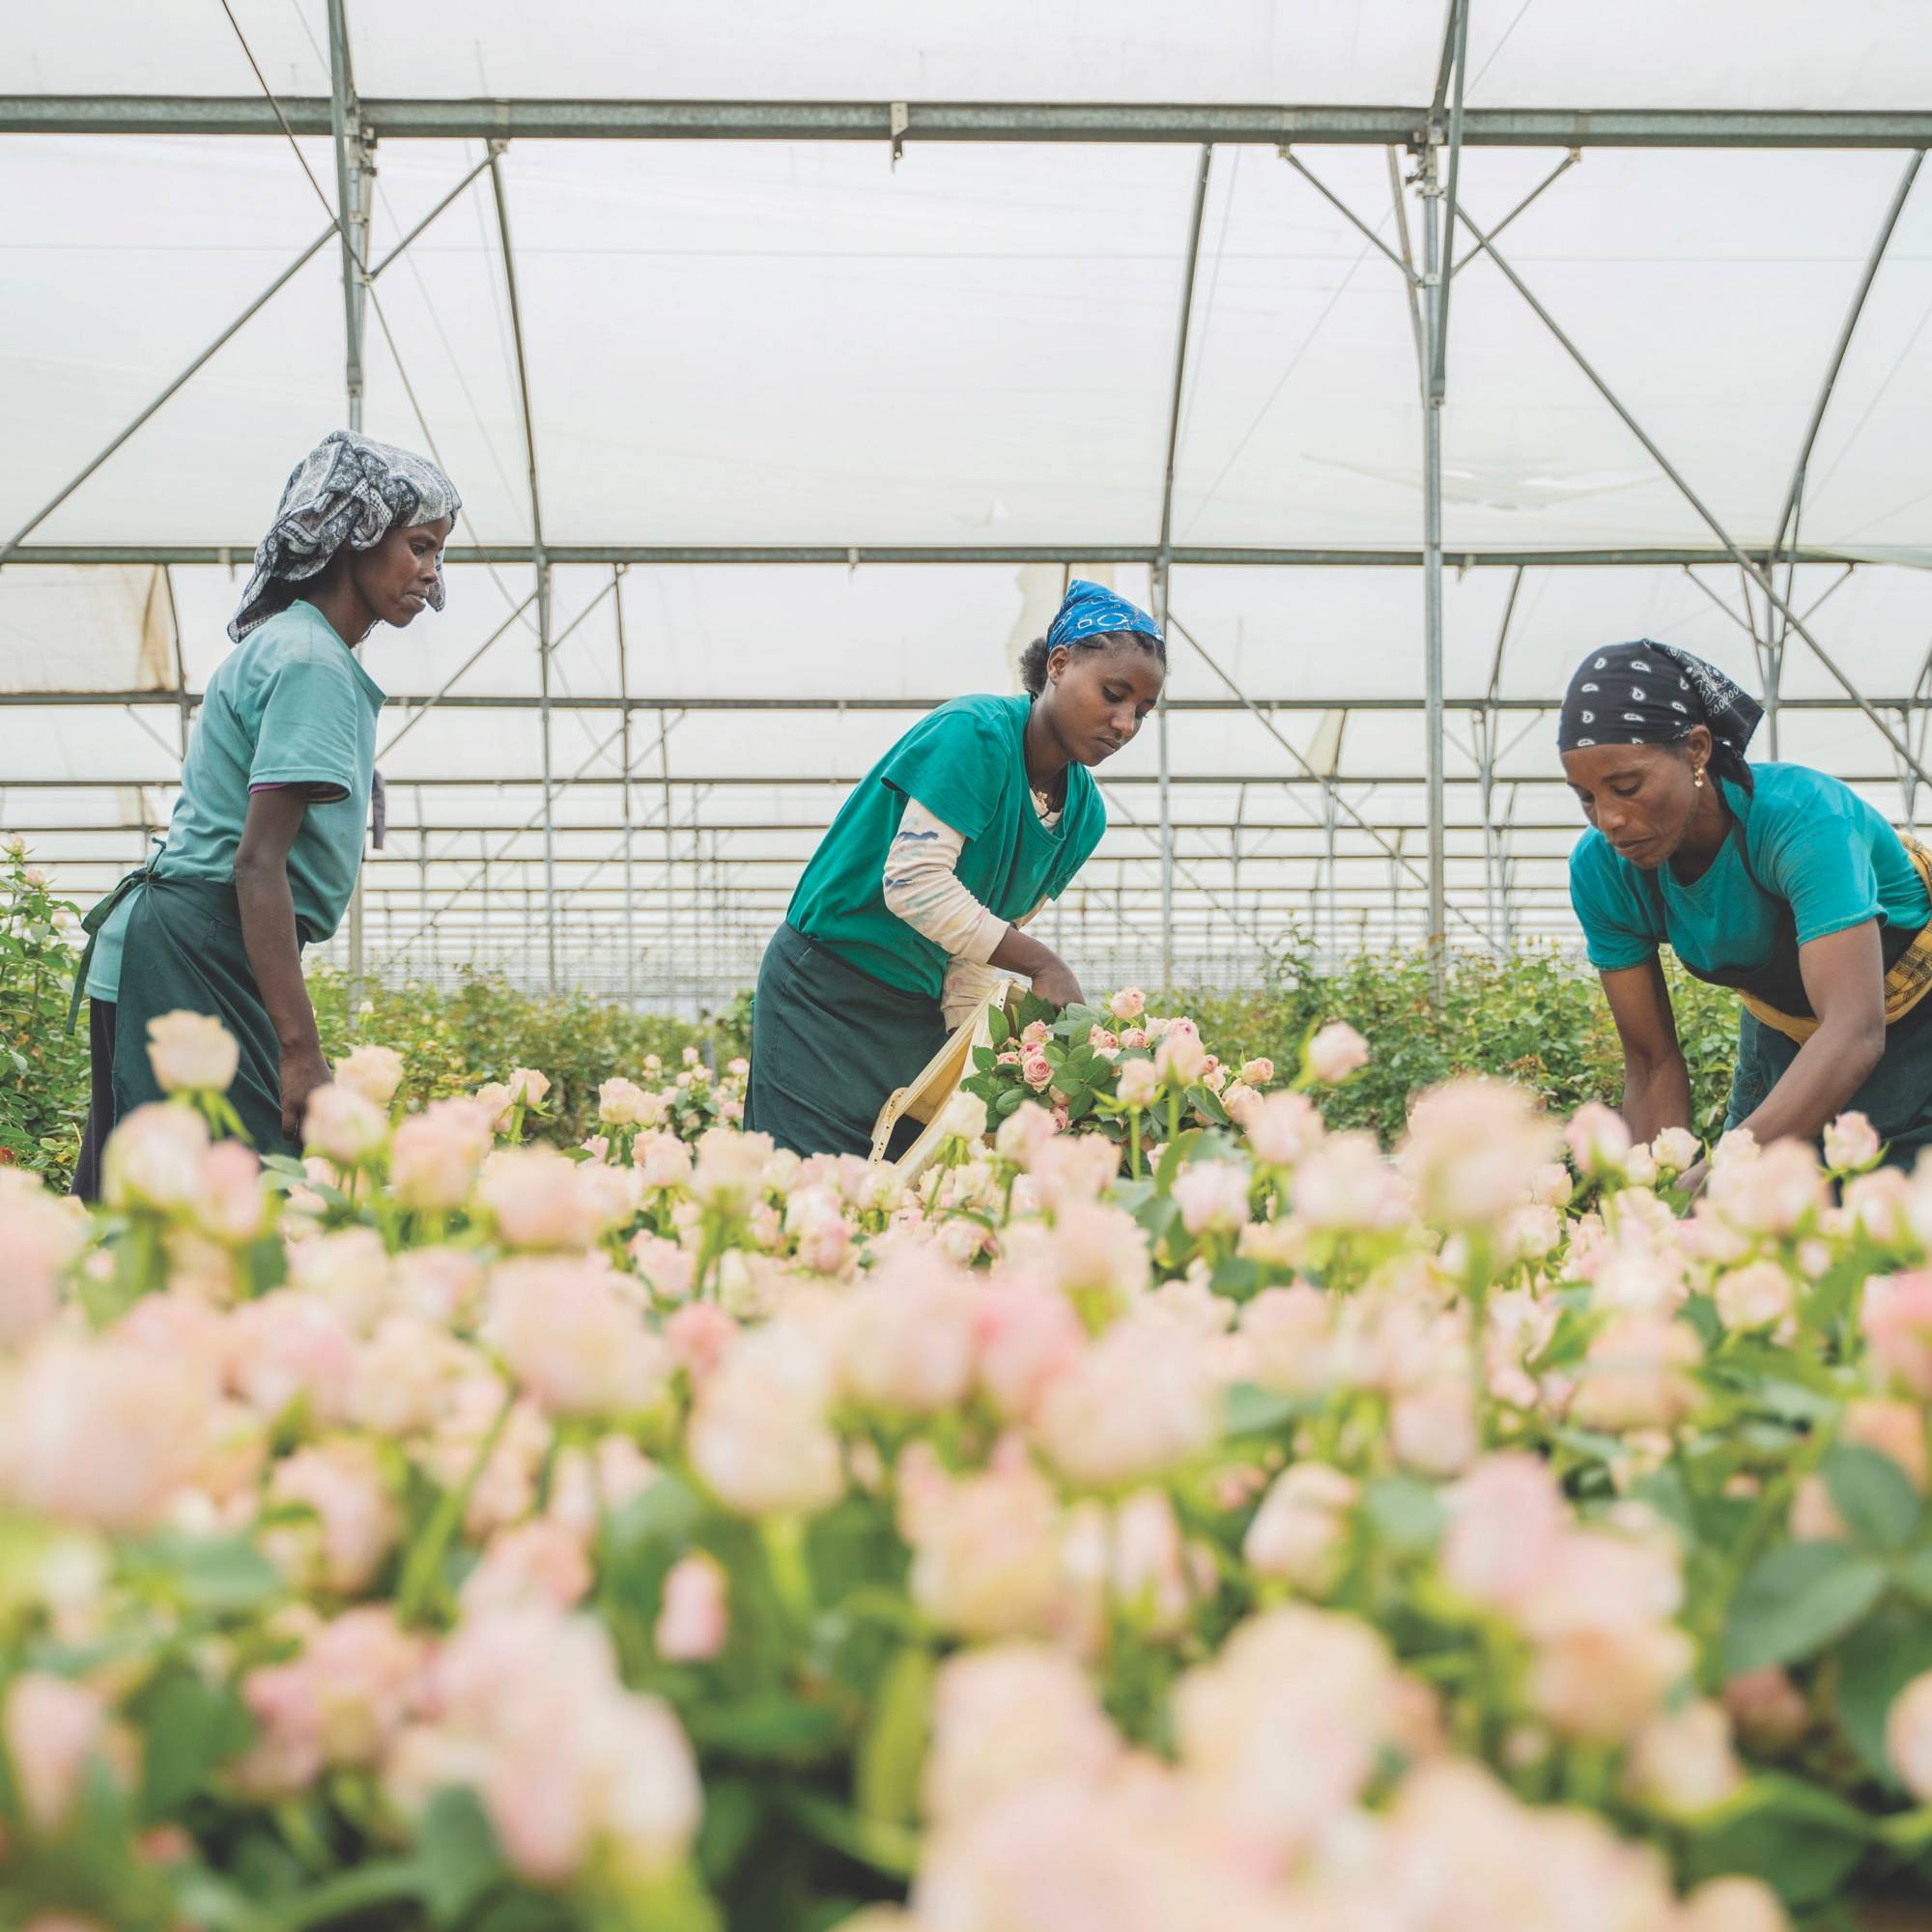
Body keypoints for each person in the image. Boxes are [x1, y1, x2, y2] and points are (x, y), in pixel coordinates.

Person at [68, 431, 459, 1198]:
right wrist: (300, 1052)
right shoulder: (311, 663)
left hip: (186, 940)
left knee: (132, 1202)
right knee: (224, 1205)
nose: (431, 574)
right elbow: (256, 863)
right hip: (199, 944)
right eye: (417, 546)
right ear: (354, 535)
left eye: (439, 552)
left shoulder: (295, 648)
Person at [746, 579, 1167, 1158]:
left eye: (1142, 712)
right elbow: (913, 885)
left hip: (912, 1011)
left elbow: (978, 946)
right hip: (825, 993)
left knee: (907, 1184)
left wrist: (971, 1064)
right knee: (805, 1184)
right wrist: (1044, 964)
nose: (1125, 723)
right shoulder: (977, 735)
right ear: (1059, 664)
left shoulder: (1084, 816)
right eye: (1113, 694)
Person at [1561, 639, 1932, 1187]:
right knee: (1751, 1222)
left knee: (1896, 1218)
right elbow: (1650, 1061)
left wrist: (1721, 1168)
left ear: (1696, 749)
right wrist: (1650, 1203)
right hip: (1786, 1031)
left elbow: (1854, 1030)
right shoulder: (1604, 870)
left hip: (1909, 1021)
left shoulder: (1801, 818)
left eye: (1627, 787)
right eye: (1586, 797)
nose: (1609, 819)